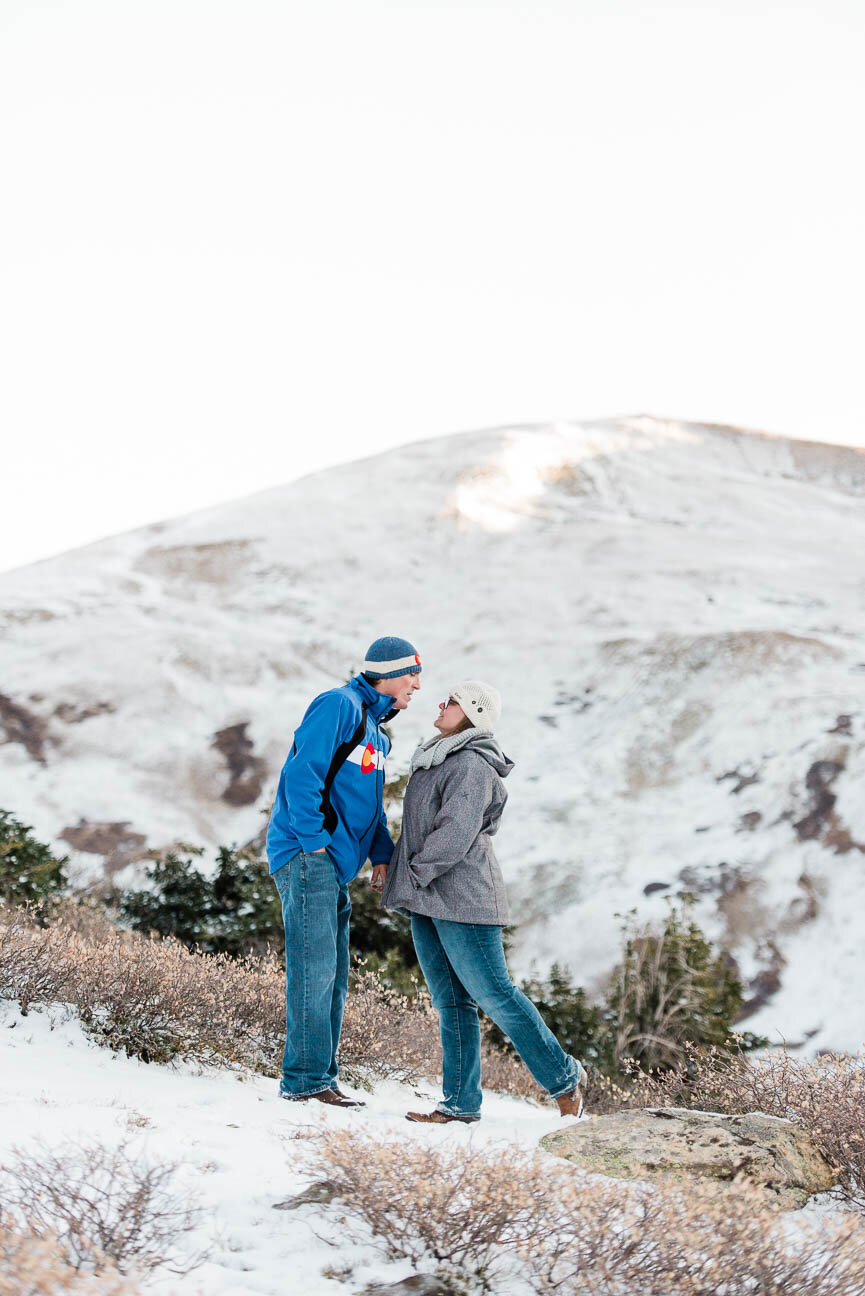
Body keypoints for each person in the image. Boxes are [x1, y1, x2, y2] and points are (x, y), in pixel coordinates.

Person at [377, 681, 588, 1123]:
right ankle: (459, 1104)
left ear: (472, 713)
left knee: (496, 995)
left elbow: (453, 834)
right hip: (428, 897)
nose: (441, 703)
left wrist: (410, 875)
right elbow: (418, 830)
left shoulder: (472, 764)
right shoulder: (436, 757)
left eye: (451, 701)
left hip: (466, 899)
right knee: (451, 1002)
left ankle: (565, 1077)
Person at [267, 636, 422, 1107]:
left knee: (332, 976)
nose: (417, 685)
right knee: (314, 972)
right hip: (307, 856)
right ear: (391, 674)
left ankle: (320, 1077)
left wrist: (381, 854)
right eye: (413, 674)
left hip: (334, 866)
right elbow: (303, 775)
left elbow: (370, 808)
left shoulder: (376, 731)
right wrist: (314, 845)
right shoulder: (338, 705)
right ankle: (305, 1081)